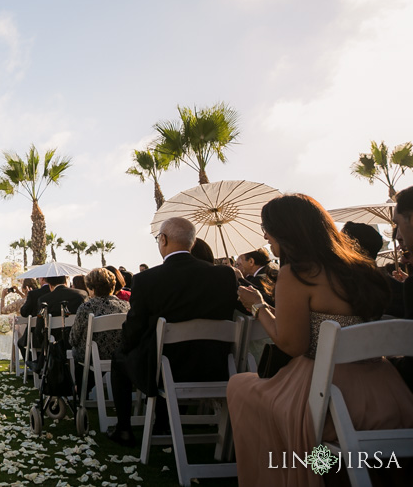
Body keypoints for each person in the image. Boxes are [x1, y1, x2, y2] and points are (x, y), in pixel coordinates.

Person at [227, 194, 413, 486]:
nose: (264, 235)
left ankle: (303, 473)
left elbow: (292, 345)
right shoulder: (362, 269)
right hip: (389, 394)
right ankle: (330, 471)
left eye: (267, 227)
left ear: (286, 229)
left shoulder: (297, 274)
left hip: (329, 394)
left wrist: (258, 306)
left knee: (240, 387)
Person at [107, 217, 238, 447]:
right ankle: (162, 424)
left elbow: (134, 329)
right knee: (165, 352)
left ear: (164, 240)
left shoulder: (147, 280)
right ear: (193, 241)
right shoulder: (225, 276)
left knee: (120, 359)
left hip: (162, 369)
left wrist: (126, 348)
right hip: (216, 366)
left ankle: (124, 429)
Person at [69, 268, 130, 392]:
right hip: (121, 355)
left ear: (91, 289)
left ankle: (81, 389)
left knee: (77, 351)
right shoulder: (126, 306)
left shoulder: (87, 307)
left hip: (93, 356)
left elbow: (73, 338)